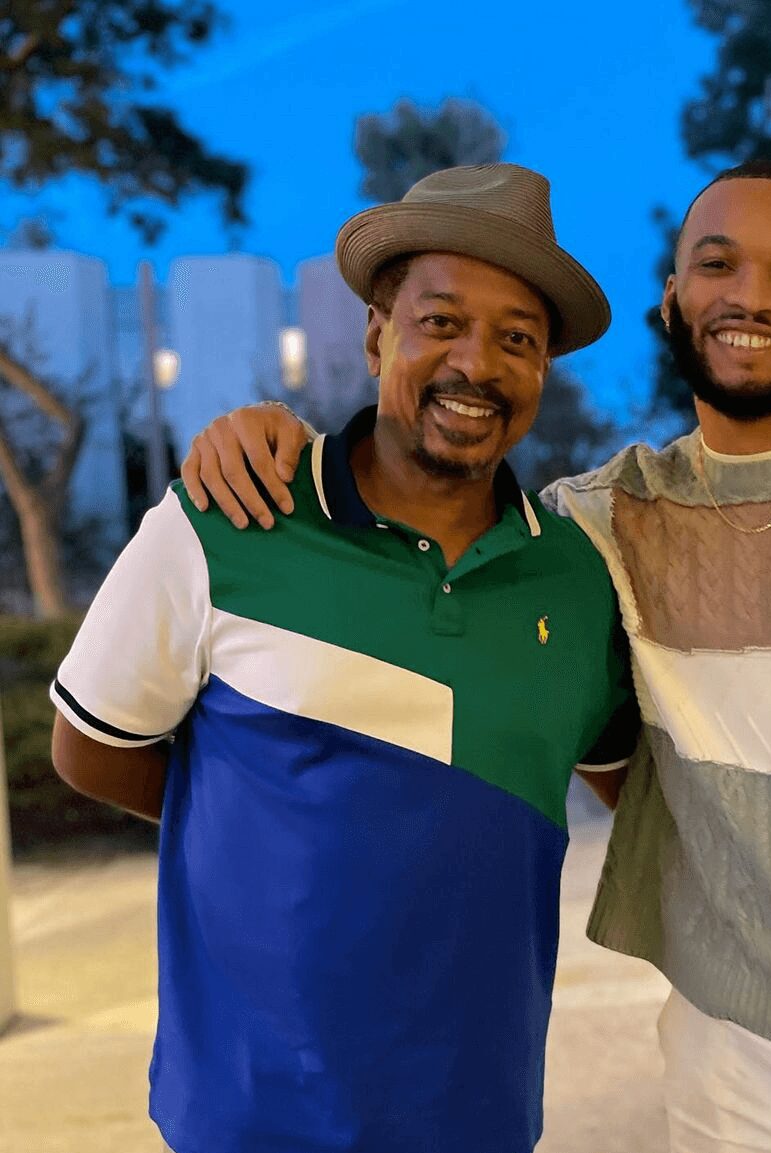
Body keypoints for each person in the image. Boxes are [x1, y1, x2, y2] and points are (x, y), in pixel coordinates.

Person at [182, 159, 771, 1153]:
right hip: (720, 1057)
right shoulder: (606, 519)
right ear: (673, 299)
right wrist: (278, 438)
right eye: (718, 264)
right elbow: (439, 518)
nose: (751, 296)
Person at [49, 162, 638, 1153]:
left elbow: (640, 794)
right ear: (376, 335)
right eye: (440, 321)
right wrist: (276, 829)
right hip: (247, 1118)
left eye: (518, 339)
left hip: (477, 1117)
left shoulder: (576, 580)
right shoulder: (228, 519)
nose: (477, 363)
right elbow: (90, 750)